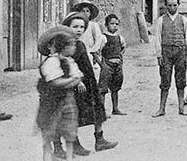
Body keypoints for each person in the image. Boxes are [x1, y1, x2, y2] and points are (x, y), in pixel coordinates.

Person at [59, 12, 117, 156]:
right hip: (77, 85)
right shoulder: (67, 45)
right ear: (67, 27)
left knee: (97, 108)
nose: (78, 30)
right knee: (73, 114)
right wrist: (77, 81)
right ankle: (75, 143)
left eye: (81, 27)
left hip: (89, 82)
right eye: (75, 27)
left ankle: (100, 139)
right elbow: (67, 64)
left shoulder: (79, 43)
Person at [35, 26, 83, 161]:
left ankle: (69, 156)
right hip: (51, 102)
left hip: (68, 100)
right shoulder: (51, 62)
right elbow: (54, 82)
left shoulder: (70, 61)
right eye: (71, 45)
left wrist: (69, 81)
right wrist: (70, 81)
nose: (74, 48)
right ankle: (48, 156)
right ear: (63, 46)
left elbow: (77, 78)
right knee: (49, 131)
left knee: (69, 129)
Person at [152, 0, 187, 117]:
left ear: (178, 5)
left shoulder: (183, 20)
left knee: (181, 80)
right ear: (166, 6)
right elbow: (157, 39)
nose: (172, 7)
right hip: (166, 52)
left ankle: (181, 108)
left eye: (175, 5)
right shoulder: (161, 20)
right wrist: (159, 55)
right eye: (169, 5)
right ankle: (161, 109)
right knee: (165, 80)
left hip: (181, 52)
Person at [98, 14, 127, 115]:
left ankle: (115, 108)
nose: (115, 26)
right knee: (103, 88)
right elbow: (95, 51)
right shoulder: (103, 37)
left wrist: (120, 58)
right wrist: (101, 64)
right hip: (107, 65)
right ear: (106, 25)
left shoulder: (120, 38)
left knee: (115, 87)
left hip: (118, 66)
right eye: (112, 23)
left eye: (117, 24)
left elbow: (123, 48)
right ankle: (102, 111)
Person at [71, 2, 104, 79]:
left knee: (89, 71)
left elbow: (98, 39)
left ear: (90, 13)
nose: (85, 13)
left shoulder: (93, 25)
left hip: (89, 52)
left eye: (87, 11)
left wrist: (94, 51)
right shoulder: (77, 25)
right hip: (78, 51)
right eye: (83, 11)